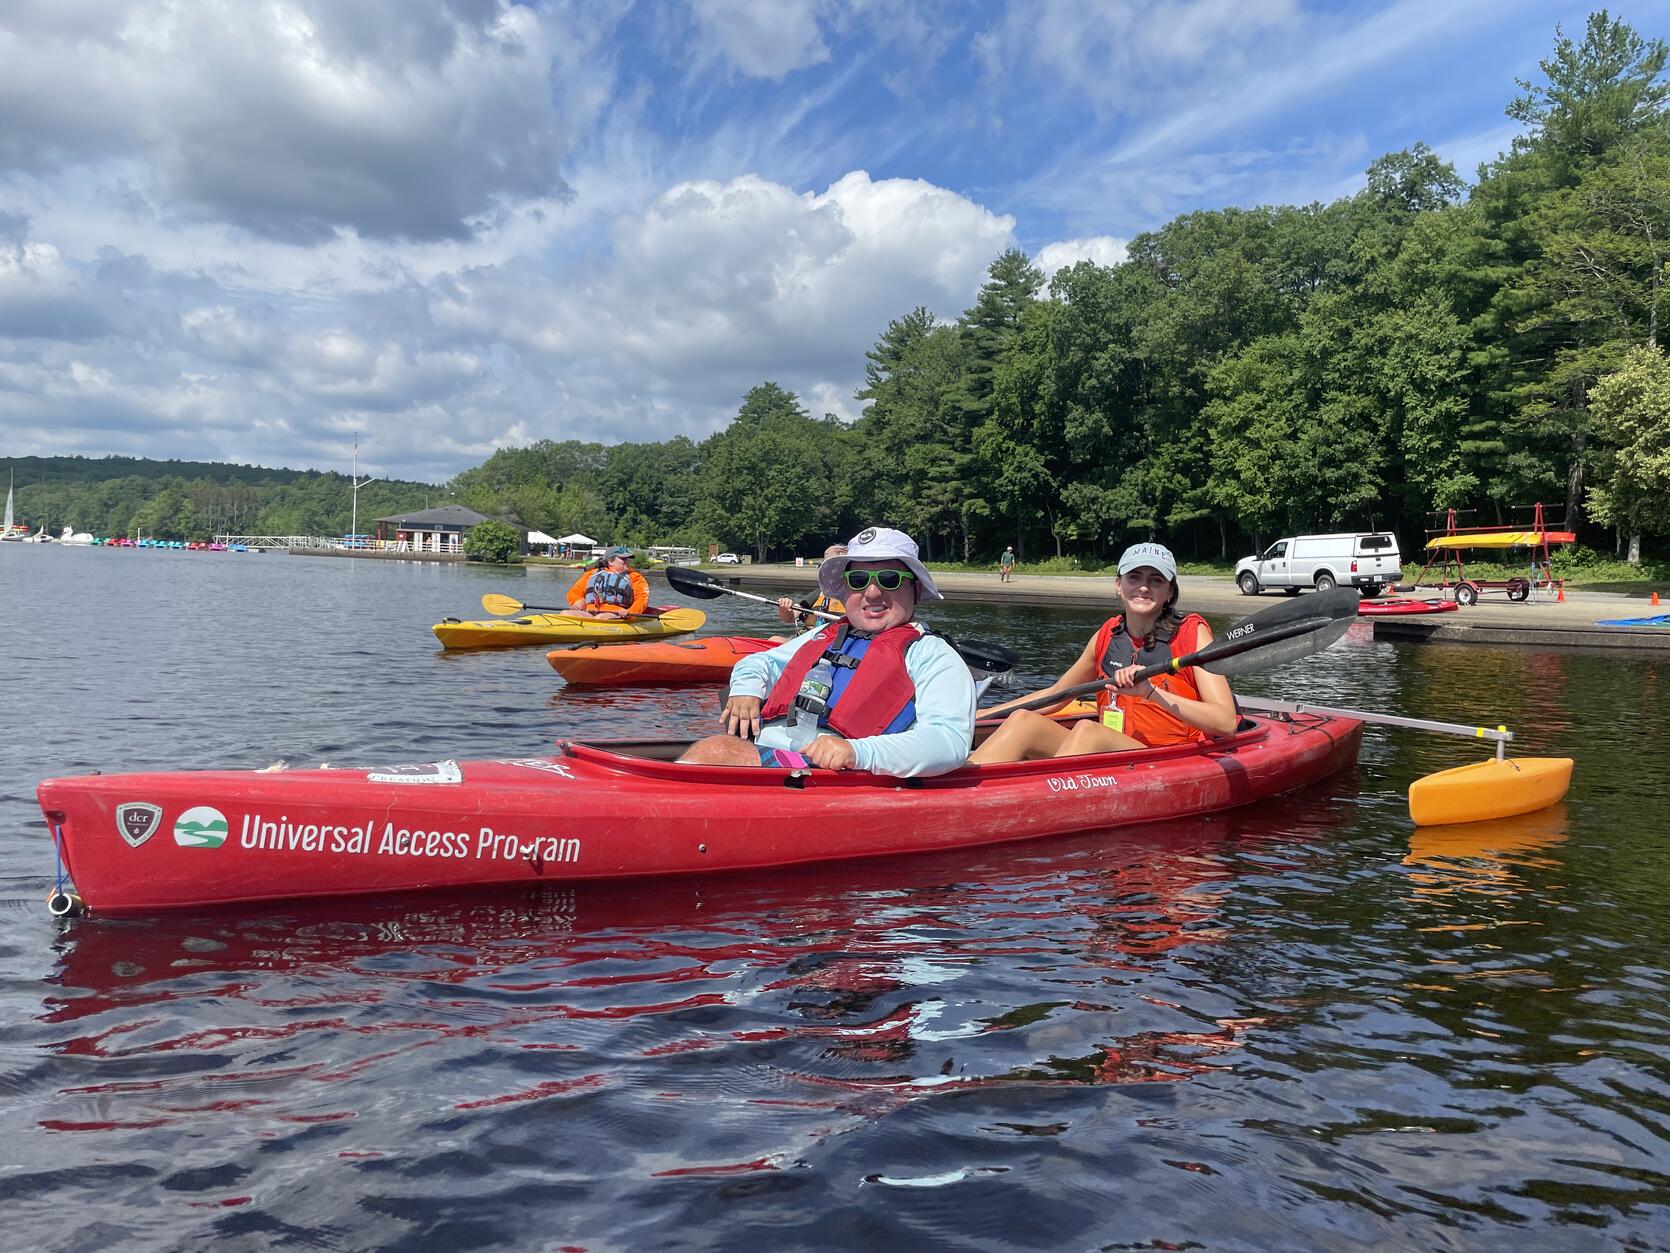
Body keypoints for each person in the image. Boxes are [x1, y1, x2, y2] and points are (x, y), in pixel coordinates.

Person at [678, 527, 976, 776]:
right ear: (846, 589)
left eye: (889, 579)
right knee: (714, 748)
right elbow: (760, 662)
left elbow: (949, 742)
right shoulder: (827, 634)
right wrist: (745, 690)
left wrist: (857, 751)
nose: (872, 592)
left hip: (833, 772)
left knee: (714, 751)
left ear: (915, 590)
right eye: (858, 580)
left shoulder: (931, 654)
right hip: (774, 750)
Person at [968, 542, 1237, 764]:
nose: (1143, 587)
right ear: (1119, 585)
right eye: (1134, 577)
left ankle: (1036, 805)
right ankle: (961, 792)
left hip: (1168, 760)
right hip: (1112, 755)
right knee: (1023, 721)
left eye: (1155, 580)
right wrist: (980, 715)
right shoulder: (1107, 634)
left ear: (1169, 592)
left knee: (1088, 731)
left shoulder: (1192, 633)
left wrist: (1151, 693)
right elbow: (1056, 696)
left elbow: (1225, 723)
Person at [771, 543, 848, 641]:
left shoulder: (855, 596)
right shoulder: (819, 593)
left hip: (830, 643)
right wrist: (784, 609)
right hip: (806, 640)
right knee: (775, 639)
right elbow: (790, 617)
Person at [562, 546, 649, 618]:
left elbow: (642, 600)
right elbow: (573, 592)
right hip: (590, 612)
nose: (627, 561)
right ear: (610, 561)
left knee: (602, 618)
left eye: (628, 559)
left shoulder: (636, 578)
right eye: (623, 559)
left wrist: (630, 613)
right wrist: (579, 601)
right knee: (565, 613)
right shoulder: (592, 573)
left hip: (616, 614)